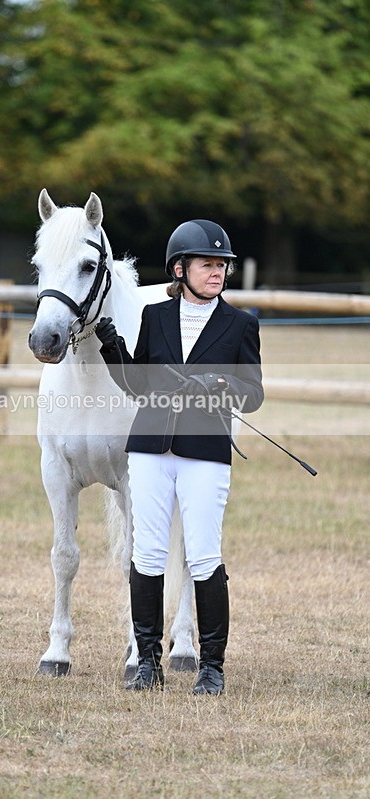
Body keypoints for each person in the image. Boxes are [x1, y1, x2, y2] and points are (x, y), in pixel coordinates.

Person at [94, 219, 264, 694]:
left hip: (204, 452)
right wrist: (114, 350)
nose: (217, 273)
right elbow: (138, 385)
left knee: (204, 556)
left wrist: (221, 383)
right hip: (150, 448)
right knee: (147, 552)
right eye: (208, 264)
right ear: (179, 268)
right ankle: (146, 661)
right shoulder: (157, 318)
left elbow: (253, 394)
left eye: (222, 265)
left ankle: (212, 667)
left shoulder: (241, 325)